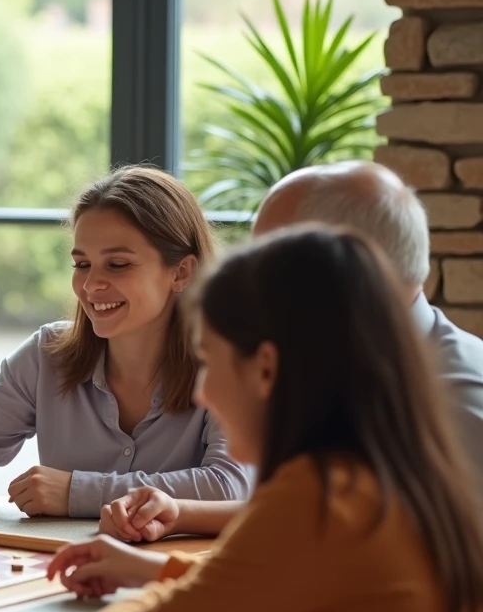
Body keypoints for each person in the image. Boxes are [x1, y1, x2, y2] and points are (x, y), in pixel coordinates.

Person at [49, 226, 483, 612]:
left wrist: (163, 593)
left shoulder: (316, 502)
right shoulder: (396, 471)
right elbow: (283, 580)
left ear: (265, 370)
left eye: (208, 362)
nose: (202, 394)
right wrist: (158, 571)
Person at [102, 160, 483, 543]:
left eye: (270, 261)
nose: (253, 287)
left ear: (345, 264)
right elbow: (327, 514)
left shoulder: (459, 403)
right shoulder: (343, 363)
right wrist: (180, 517)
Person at [0, 166, 251, 521]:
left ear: (181, 272)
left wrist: (75, 492)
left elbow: (229, 486)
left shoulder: (231, 362)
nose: (91, 284)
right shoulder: (47, 353)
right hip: (67, 567)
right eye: (82, 264)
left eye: (117, 264)